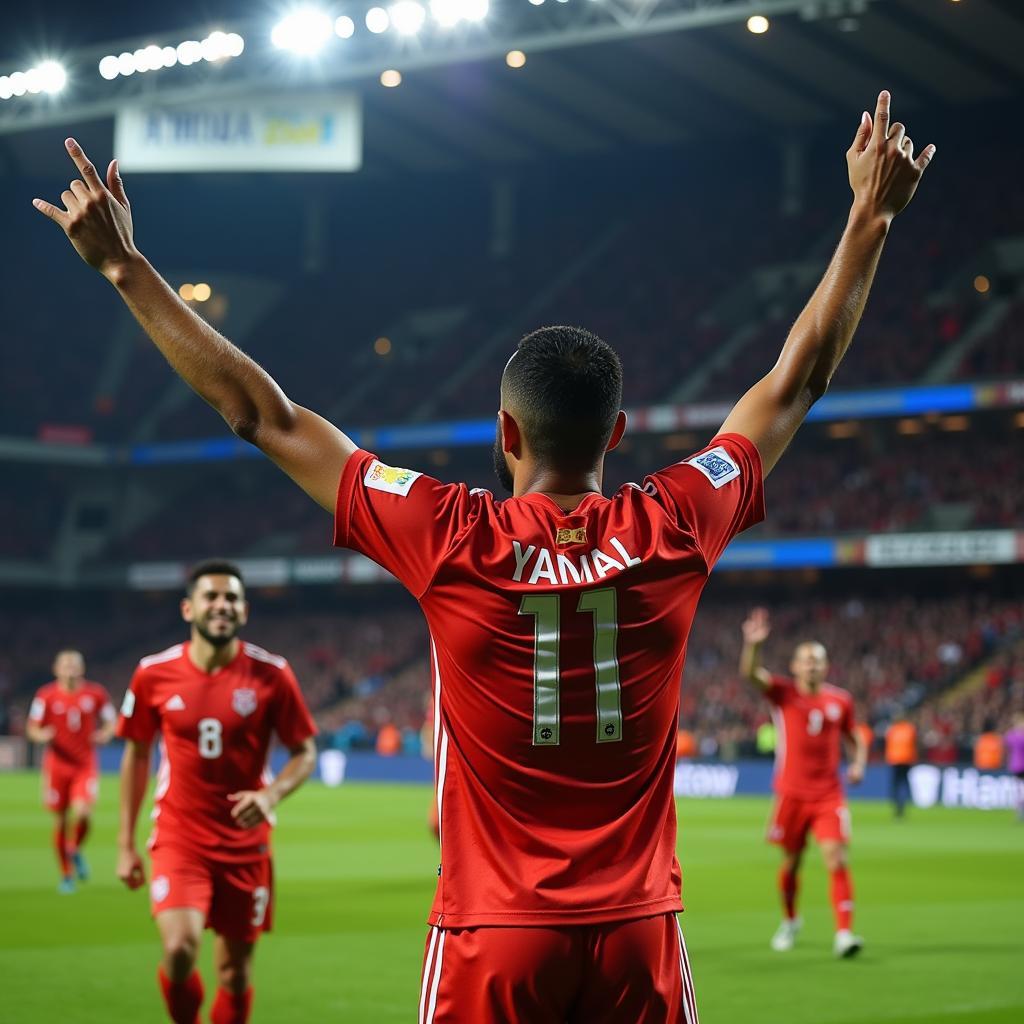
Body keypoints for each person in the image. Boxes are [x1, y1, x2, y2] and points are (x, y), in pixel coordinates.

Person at [36, 91, 932, 1020]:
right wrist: (871, 216)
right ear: (618, 432)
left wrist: (125, 269)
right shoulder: (676, 520)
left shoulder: (450, 533)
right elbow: (797, 382)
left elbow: (264, 416)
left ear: (505, 429)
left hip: (490, 935)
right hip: (639, 933)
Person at [115, 560, 317, 1024]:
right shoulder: (152, 674)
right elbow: (137, 754)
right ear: (189, 608)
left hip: (246, 846)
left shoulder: (273, 674)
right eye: (211, 596)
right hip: (179, 836)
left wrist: (270, 796)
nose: (221, 605)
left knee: (234, 972)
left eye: (231, 598)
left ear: (244, 611)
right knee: (180, 948)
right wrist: (126, 843)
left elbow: (305, 752)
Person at [739, 608, 868, 958]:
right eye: (806, 661)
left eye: (818, 661)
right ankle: (791, 920)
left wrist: (857, 764)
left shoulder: (840, 700)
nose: (812, 666)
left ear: (826, 667)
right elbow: (751, 674)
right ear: (795, 666)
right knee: (792, 863)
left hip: (829, 794)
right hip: (791, 794)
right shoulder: (782, 694)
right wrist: (753, 645)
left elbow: (854, 737)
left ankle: (844, 933)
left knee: (836, 858)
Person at [25, 650, 115, 893]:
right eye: (65, 665)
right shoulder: (45, 696)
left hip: (84, 764)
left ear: (82, 668)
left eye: (74, 665)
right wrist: (41, 735)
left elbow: (111, 721)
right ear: (56, 669)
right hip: (56, 765)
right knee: (61, 820)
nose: (70, 669)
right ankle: (66, 876)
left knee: (83, 813)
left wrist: (105, 734)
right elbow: (32, 727)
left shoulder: (95, 694)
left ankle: (73, 848)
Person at [885, 712, 918, 818]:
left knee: (896, 784)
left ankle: (896, 803)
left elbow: (888, 743)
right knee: (905, 782)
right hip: (906, 760)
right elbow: (915, 743)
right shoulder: (910, 729)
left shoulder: (892, 729)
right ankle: (906, 801)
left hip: (895, 760)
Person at [1005, 713, 1024, 822]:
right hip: (1018, 766)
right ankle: (1020, 811)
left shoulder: (1012, 735)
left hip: (1017, 765)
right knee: (1019, 790)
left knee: (1018, 790)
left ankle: (1019, 811)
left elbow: (1006, 741)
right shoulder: (1017, 736)